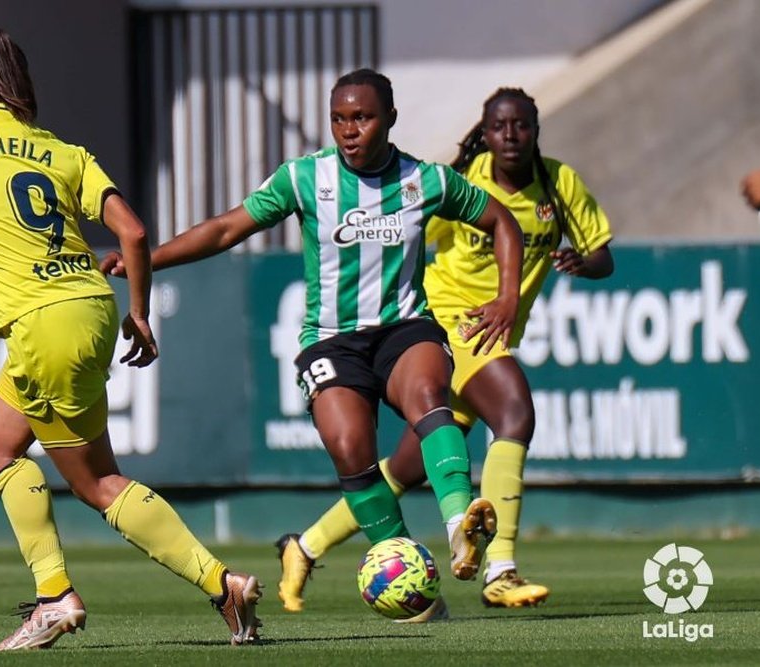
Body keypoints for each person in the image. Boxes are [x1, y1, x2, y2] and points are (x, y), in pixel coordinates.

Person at [0, 28, 261, 650]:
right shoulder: (61, 151)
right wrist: (138, 312)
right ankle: (60, 592)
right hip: (90, 305)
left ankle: (206, 585)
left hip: (41, 322)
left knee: (97, 482)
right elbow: (133, 233)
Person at [104, 69, 524, 597]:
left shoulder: (426, 181)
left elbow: (501, 221)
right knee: (350, 447)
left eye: (363, 118)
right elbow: (227, 228)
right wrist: (149, 259)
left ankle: (459, 525)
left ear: (389, 119)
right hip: (331, 339)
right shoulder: (305, 178)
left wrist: (506, 297)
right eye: (339, 119)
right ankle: (410, 582)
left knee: (428, 396)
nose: (349, 130)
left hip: (404, 326)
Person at [274, 87, 615, 614]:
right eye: (499, 126)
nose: (510, 136)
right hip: (455, 319)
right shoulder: (464, 179)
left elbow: (602, 258)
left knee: (407, 467)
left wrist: (578, 262)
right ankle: (499, 568)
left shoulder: (559, 183)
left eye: (521, 126)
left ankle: (306, 545)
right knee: (515, 412)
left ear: (535, 131)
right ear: (485, 131)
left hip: (496, 326)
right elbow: (402, 225)